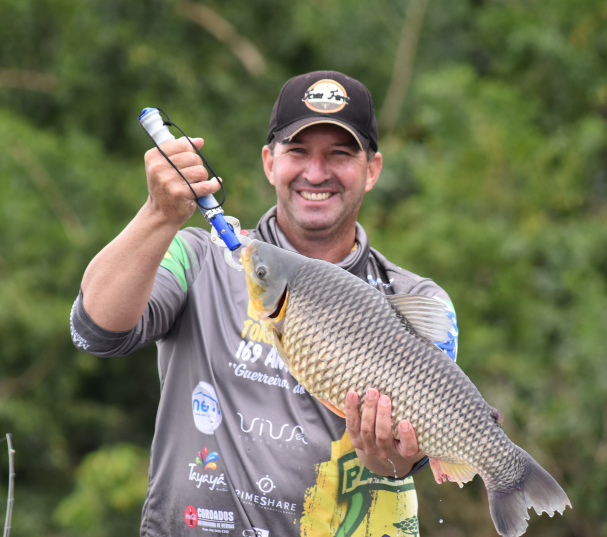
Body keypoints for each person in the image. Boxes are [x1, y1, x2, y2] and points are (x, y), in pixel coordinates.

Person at [70, 71, 458, 537]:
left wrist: (391, 458)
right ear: (269, 162)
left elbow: (408, 458)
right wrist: (158, 215)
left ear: (372, 170)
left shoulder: (417, 299)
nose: (316, 173)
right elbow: (95, 331)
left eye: (339, 154)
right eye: (298, 151)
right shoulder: (197, 254)